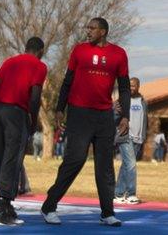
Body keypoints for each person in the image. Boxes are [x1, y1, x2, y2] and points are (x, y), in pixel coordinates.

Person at [41, 18, 129, 227]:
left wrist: (125, 115)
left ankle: (107, 213)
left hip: (105, 116)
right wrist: (60, 109)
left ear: (103, 31)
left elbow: (124, 87)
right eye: (87, 28)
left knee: (105, 166)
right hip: (79, 113)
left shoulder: (119, 54)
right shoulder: (79, 50)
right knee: (76, 159)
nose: (88, 31)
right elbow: (67, 80)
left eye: (92, 28)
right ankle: (49, 206)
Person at [0, 36, 47, 225]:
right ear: (41, 51)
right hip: (17, 113)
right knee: (12, 159)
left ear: (26, 47)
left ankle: (5, 204)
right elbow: (35, 96)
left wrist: (0, 105)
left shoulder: (10, 61)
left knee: (0, 156)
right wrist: (33, 118)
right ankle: (1, 208)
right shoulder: (39, 66)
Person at [115, 76, 147, 205]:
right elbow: (114, 116)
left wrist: (143, 136)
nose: (131, 88)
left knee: (126, 165)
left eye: (134, 85)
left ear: (138, 86)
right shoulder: (122, 100)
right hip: (125, 136)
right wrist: (114, 111)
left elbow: (145, 120)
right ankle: (131, 194)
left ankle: (118, 194)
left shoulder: (143, 101)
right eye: (130, 85)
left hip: (138, 138)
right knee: (132, 164)